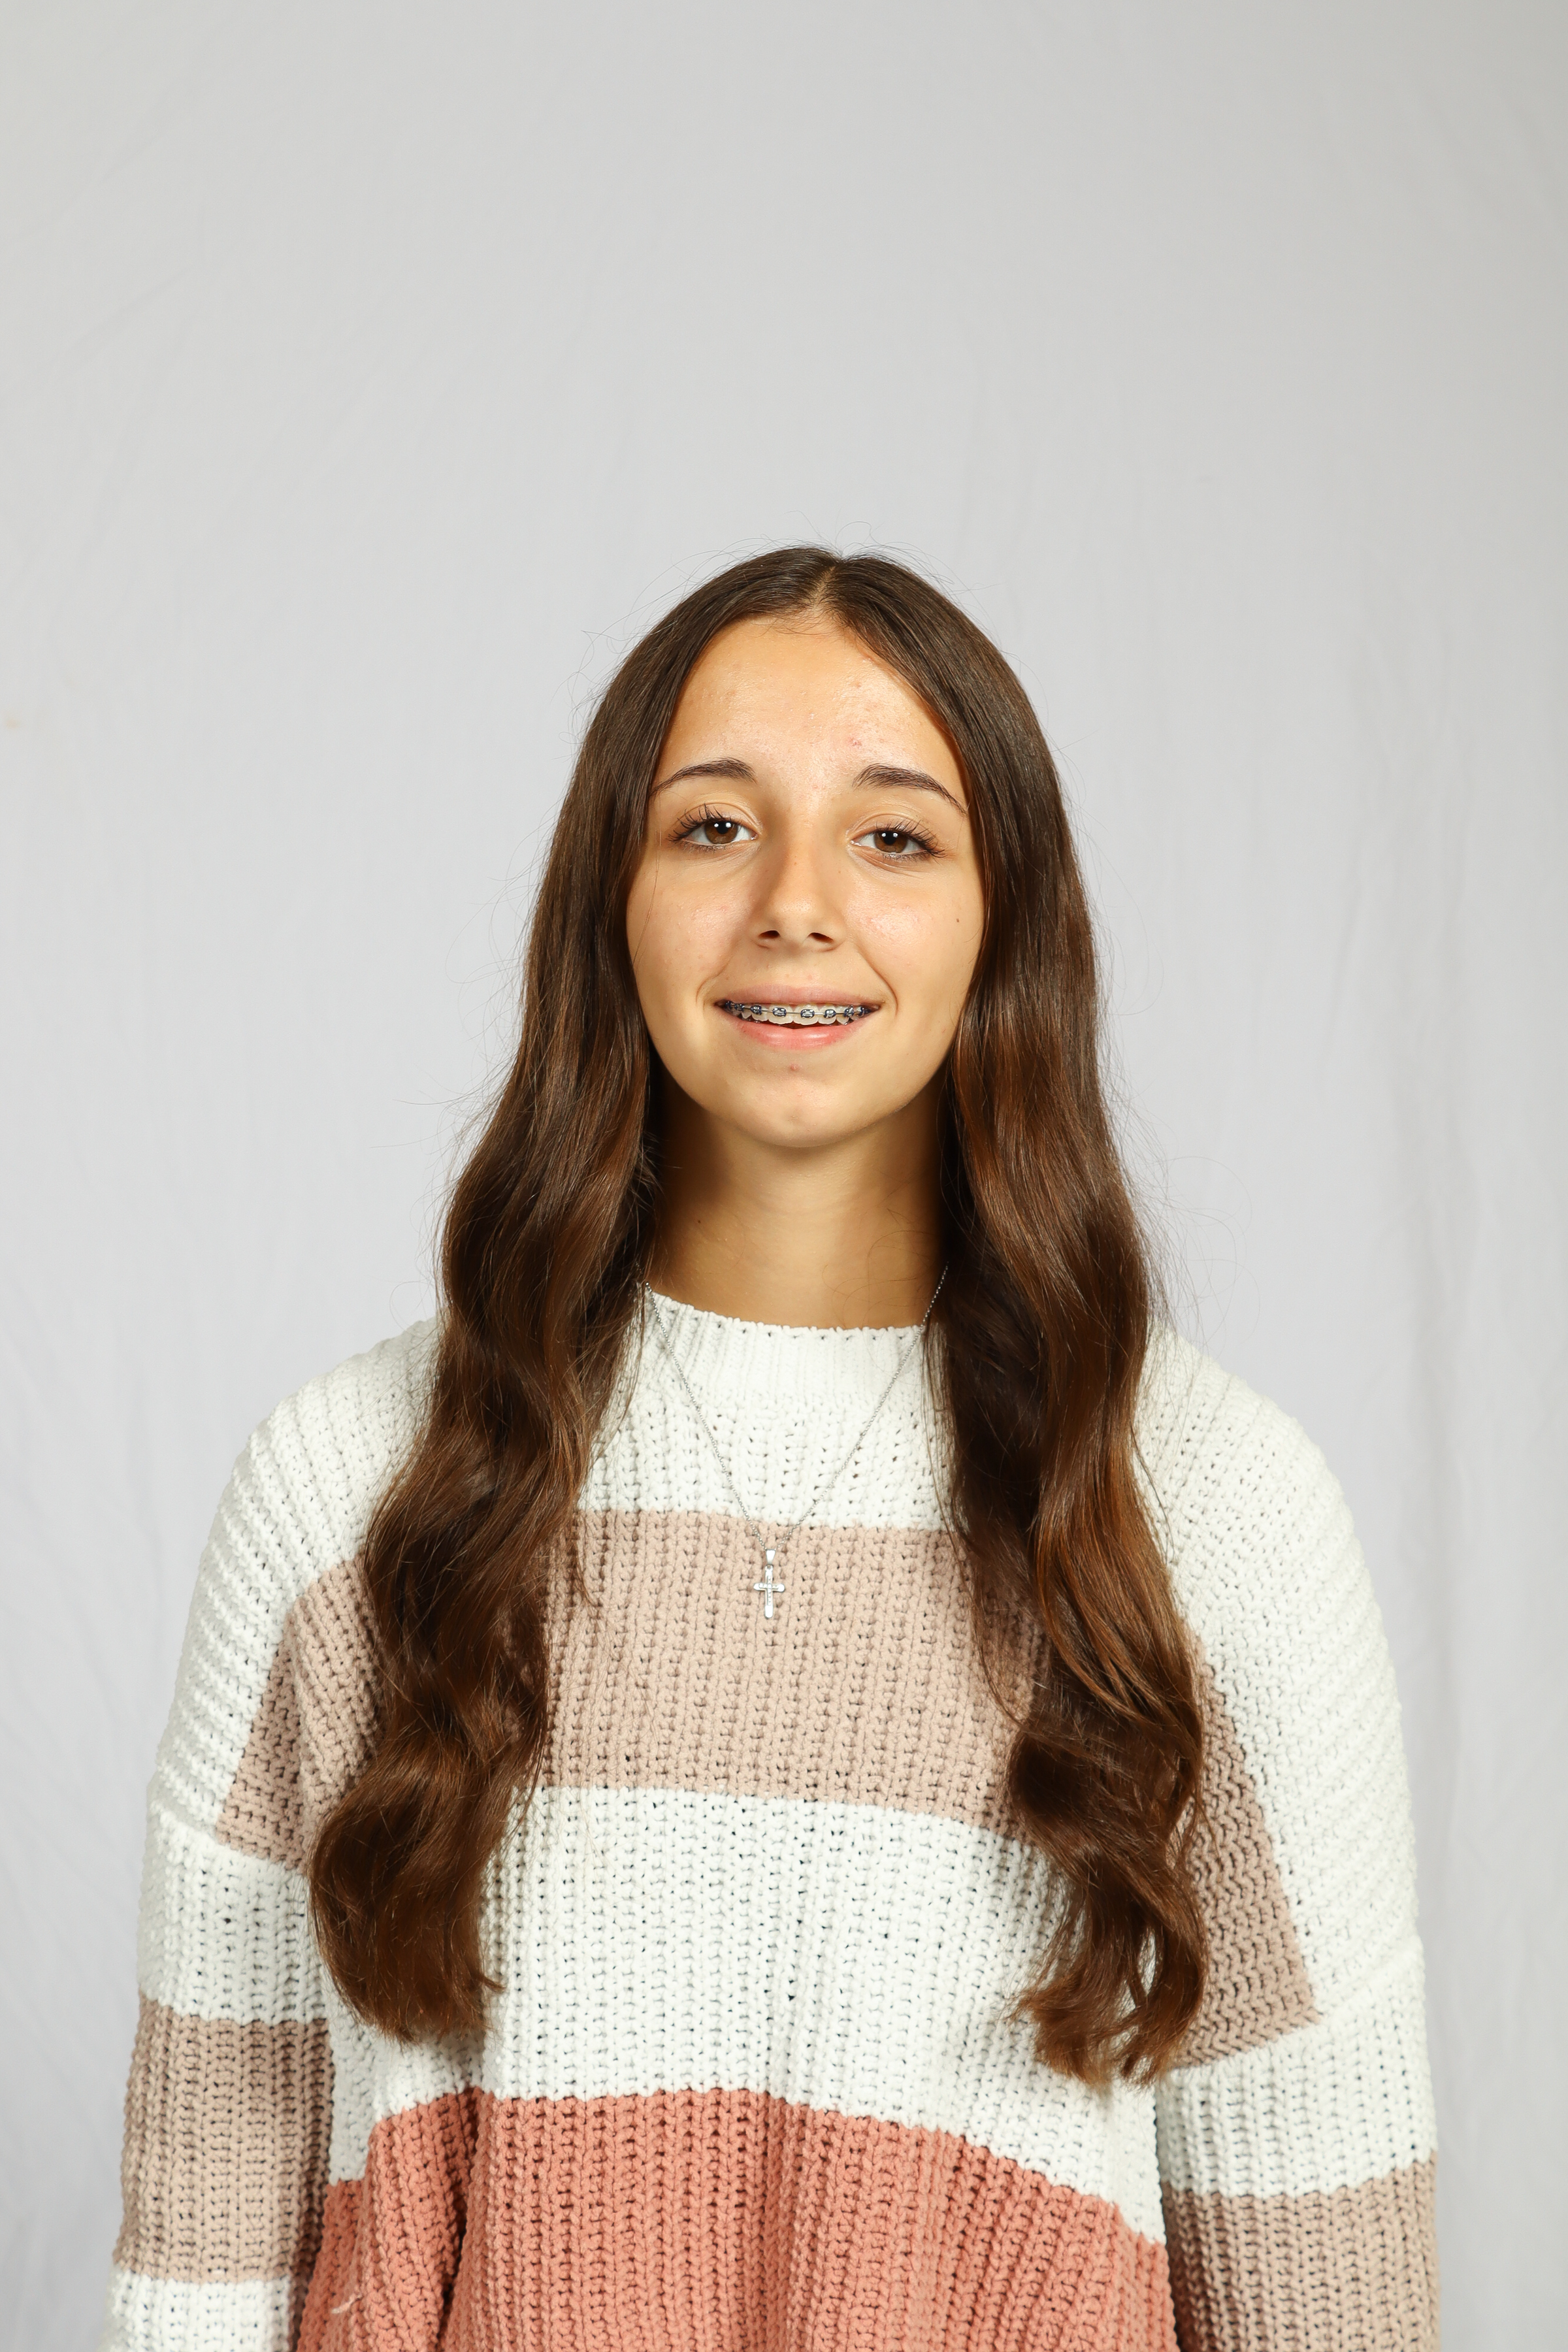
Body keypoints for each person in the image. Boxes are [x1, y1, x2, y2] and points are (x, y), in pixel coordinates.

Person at [101, 548, 1439, 2351]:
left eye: (894, 837)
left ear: (1004, 920)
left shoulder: (1214, 1516)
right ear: (612, 903)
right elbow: (208, 2227)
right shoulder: (349, 1493)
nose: (796, 906)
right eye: (715, 828)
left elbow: (1328, 2265)